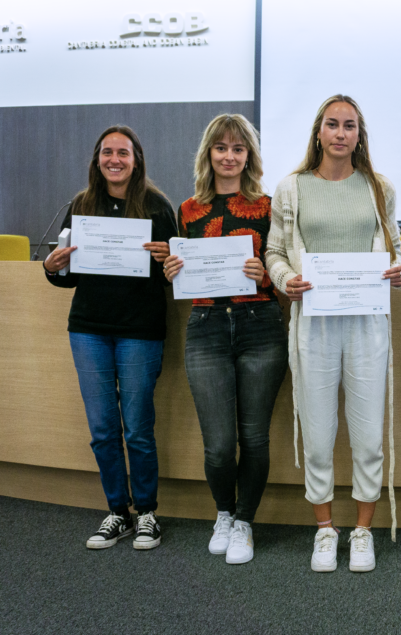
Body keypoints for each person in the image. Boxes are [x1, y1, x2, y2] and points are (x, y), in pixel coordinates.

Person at [265, 94, 401, 573]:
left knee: (367, 435)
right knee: (320, 432)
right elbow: (274, 253)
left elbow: (394, 244)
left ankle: (363, 530)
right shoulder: (292, 188)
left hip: (367, 323)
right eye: (333, 125)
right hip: (314, 324)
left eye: (350, 126)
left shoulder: (378, 187)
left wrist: (399, 267)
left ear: (359, 135)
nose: (341, 133)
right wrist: (287, 281)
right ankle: (325, 530)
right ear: (319, 133)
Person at [42, 125, 177, 550]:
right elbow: (69, 279)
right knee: (102, 429)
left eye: (123, 152)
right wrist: (52, 267)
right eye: (107, 152)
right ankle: (117, 512)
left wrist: (166, 259)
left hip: (139, 331)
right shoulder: (81, 205)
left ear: (137, 159)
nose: (114, 159)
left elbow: (175, 276)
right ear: (96, 159)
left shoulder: (156, 206)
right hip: (89, 331)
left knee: (137, 428)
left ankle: (147, 513)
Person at [161, 114, 288, 565]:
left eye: (238, 149)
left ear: (249, 156)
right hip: (207, 326)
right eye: (221, 148)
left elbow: (285, 265)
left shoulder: (271, 207)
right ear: (208, 154)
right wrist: (172, 270)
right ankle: (224, 513)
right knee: (217, 443)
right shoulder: (188, 209)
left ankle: (245, 522)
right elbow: (183, 267)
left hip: (260, 325)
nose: (230, 156)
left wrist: (266, 271)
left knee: (254, 436)